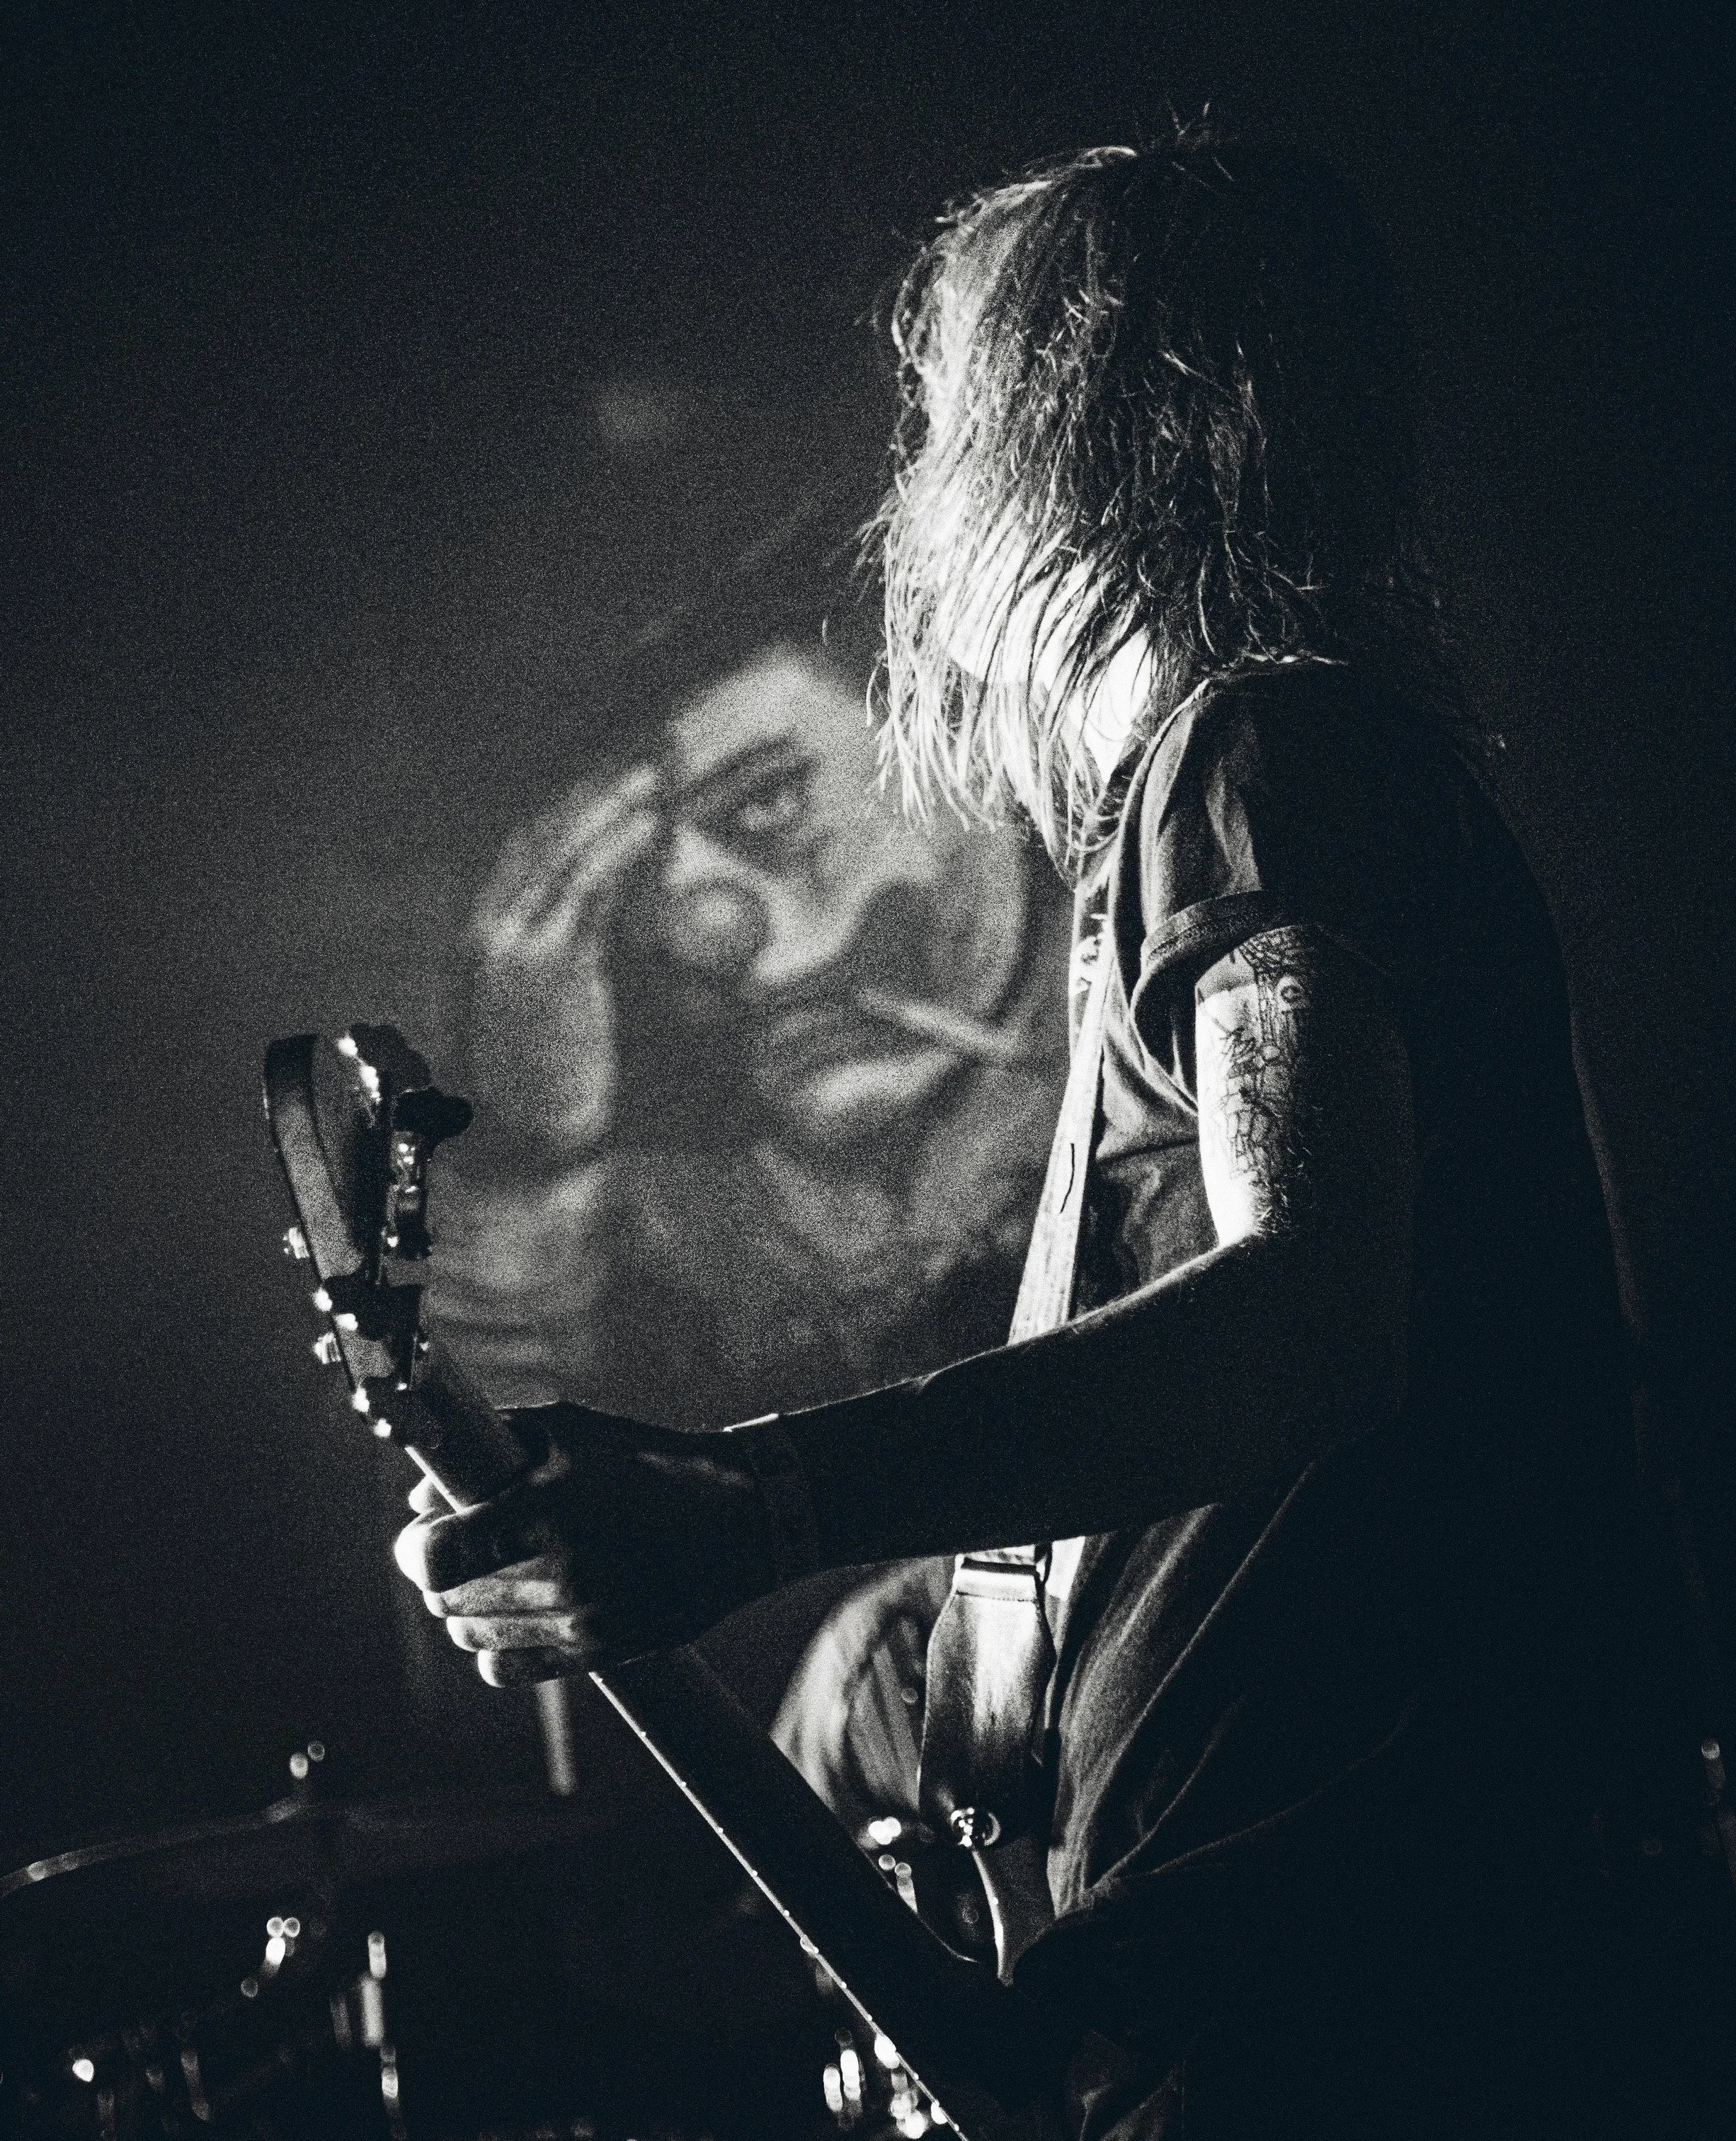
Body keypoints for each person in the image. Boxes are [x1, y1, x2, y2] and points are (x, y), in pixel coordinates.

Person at [395, 135, 1638, 2135]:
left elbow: (1313, 1312)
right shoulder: (1231, 789)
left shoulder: (1260, 756)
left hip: (1360, 2003)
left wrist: (756, 1504)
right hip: (1259, 1980)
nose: (920, 487)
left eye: (944, 410)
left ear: (1079, 426)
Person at [423, 630, 1070, 1430]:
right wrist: (537, 1155)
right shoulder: (668, 1225)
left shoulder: (1151, 977)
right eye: (628, 892)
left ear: (953, 735)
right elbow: (517, 1500)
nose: (715, 936)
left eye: (769, 804)